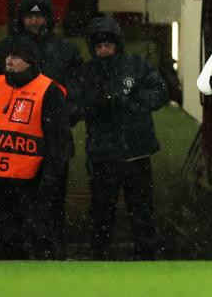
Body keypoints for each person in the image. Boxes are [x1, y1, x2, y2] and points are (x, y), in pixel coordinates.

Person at [72, 16, 168, 260]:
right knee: (102, 212)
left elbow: (160, 91)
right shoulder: (87, 72)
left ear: (117, 45)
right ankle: (101, 257)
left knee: (142, 211)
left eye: (108, 46)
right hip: (104, 156)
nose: (104, 51)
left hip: (137, 152)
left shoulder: (136, 65)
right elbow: (74, 106)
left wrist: (135, 102)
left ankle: (146, 257)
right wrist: (100, 103)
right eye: (99, 47)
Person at [0, 36, 70, 259]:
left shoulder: (48, 91)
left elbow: (58, 142)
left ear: (30, 60)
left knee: (35, 244)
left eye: (15, 56)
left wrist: (49, 182)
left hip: (31, 185)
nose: (9, 61)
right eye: (7, 56)